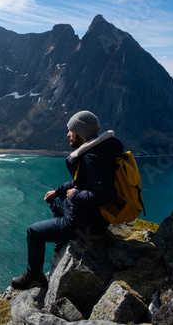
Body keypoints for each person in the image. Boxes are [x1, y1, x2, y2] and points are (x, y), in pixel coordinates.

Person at [11, 110, 124, 290]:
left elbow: (105, 194)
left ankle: (34, 276)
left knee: (33, 232)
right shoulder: (101, 150)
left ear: (81, 133)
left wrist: (74, 195)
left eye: (70, 130)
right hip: (95, 218)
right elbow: (82, 181)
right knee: (55, 202)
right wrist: (58, 191)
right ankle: (61, 244)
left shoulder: (91, 157)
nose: (67, 134)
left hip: (83, 225)